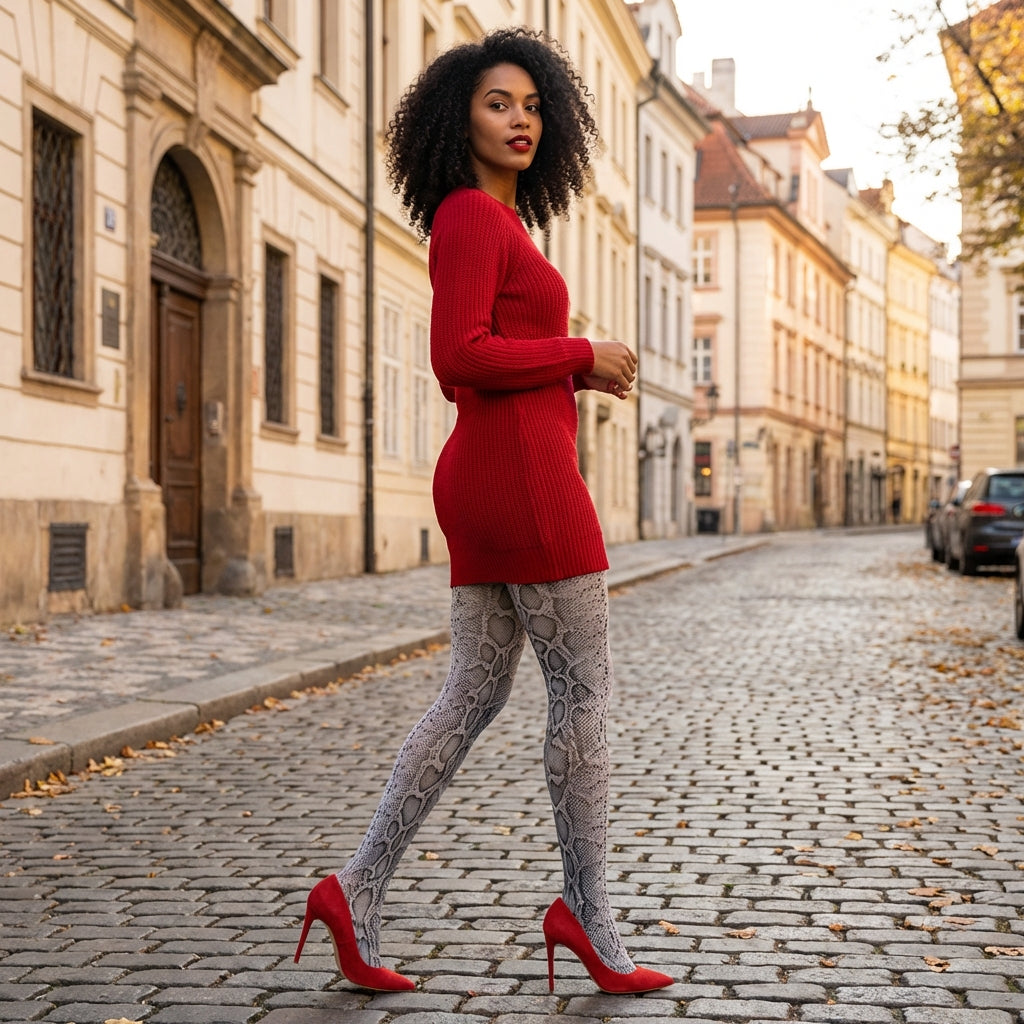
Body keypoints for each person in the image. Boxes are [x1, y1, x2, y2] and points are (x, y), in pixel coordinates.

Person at [293, 26, 673, 997]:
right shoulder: (468, 217)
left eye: (533, 106)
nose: (519, 120)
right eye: (498, 103)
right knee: (581, 697)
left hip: (499, 476)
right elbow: (457, 356)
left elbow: (499, 352)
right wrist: (580, 353)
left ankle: (355, 888)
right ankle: (590, 921)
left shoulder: (503, 226)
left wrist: (571, 371)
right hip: (525, 485)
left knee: (471, 695)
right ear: (455, 115)